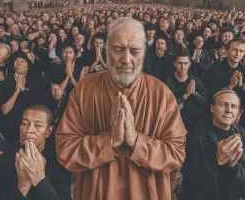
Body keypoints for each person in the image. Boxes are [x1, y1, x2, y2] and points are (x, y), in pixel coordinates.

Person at [55, 17, 186, 200]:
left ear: (144, 54)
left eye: (135, 51)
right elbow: (65, 149)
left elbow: (176, 152)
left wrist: (135, 141)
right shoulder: (84, 90)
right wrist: (109, 141)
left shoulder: (161, 94)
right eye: (118, 50)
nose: (126, 59)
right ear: (107, 50)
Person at [0, 105, 71, 200]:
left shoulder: (59, 160)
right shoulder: (8, 155)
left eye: (38, 125)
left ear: (48, 131)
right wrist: (22, 186)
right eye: (24, 124)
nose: (28, 131)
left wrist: (39, 180)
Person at [180, 89, 245, 200]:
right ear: (212, 108)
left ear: (238, 112)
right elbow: (190, 180)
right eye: (223, 104)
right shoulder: (195, 134)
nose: (228, 110)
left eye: (233, 106)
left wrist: (233, 166)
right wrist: (216, 161)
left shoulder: (242, 134)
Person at [165, 47, 208, 131]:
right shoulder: (168, 83)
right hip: (174, 124)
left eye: (185, 63)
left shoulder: (196, 81)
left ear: (189, 64)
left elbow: (205, 102)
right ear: (174, 63)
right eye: (180, 63)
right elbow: (166, 106)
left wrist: (195, 94)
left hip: (194, 125)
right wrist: (185, 96)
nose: (183, 67)